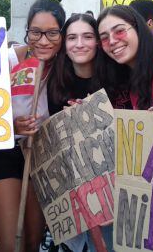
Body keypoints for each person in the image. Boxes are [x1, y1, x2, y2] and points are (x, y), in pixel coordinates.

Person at [0, 0, 65, 252]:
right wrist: (11, 125)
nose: (43, 41)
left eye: (52, 33)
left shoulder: (67, 67)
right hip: (3, 153)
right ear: (26, 31)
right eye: (35, 32)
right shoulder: (6, 60)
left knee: (31, 242)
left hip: (42, 157)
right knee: (9, 244)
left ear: (62, 33)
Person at [46, 13, 107, 251]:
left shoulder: (115, 78)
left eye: (87, 36)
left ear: (98, 42)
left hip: (111, 188)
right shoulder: (53, 82)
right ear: (64, 43)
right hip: (70, 189)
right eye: (72, 37)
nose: (79, 44)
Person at [96, 5, 153, 110]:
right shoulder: (122, 73)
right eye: (104, 38)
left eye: (119, 31)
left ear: (138, 28)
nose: (112, 41)